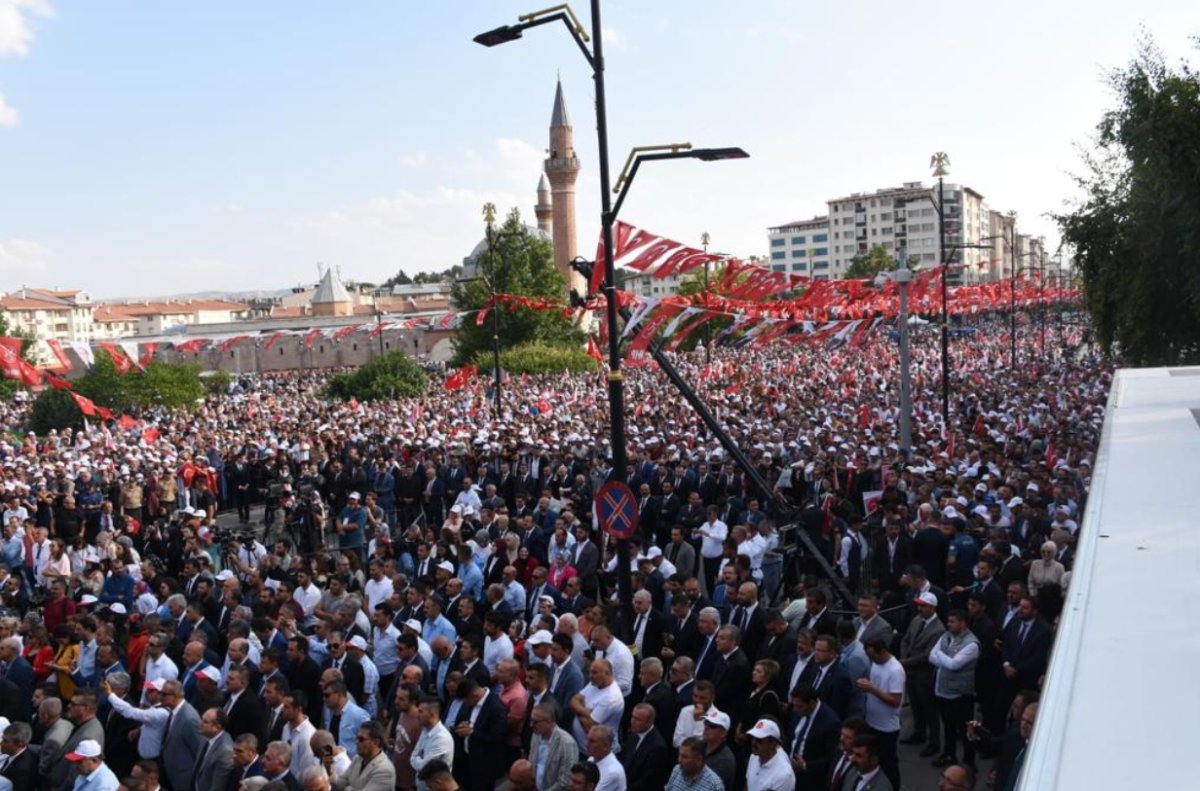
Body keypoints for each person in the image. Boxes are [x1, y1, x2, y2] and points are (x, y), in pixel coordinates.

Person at [928, 610, 980, 770]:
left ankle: (969, 761)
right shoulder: (946, 636)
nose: (948, 624)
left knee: (967, 730)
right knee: (948, 727)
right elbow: (931, 656)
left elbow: (954, 665)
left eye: (952, 621)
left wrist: (941, 656)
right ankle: (949, 754)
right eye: (948, 621)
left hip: (961, 695)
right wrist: (944, 658)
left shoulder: (971, 644)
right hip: (942, 691)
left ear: (962, 623)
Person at [898, 591, 945, 758]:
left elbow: (927, 655)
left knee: (929, 708)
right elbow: (905, 639)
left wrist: (905, 662)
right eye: (918, 605)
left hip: (924, 674)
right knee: (915, 705)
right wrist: (904, 657)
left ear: (932, 607)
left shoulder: (938, 629)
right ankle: (919, 733)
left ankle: (934, 742)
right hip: (910, 671)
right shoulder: (917, 620)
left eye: (923, 606)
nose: (919, 608)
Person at [856, 638, 903, 791]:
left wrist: (872, 689)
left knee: (888, 764)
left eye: (873, 656)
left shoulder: (895, 670)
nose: (872, 660)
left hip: (887, 727)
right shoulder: (876, 663)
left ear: (882, 651)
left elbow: (895, 701)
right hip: (872, 721)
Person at [785, 684, 841, 791]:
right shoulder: (798, 711)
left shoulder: (831, 723)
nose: (795, 710)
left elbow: (830, 758)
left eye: (799, 707)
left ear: (811, 703)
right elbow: (791, 737)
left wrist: (805, 766)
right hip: (788, 771)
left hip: (810, 780)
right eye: (794, 706)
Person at [333, 721, 395, 791]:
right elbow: (341, 783)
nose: (356, 742)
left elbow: (344, 786)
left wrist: (348, 788)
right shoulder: (357, 759)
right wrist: (329, 769)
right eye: (356, 738)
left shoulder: (384, 770)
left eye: (361, 739)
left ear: (376, 742)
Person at [619, 704, 669, 791]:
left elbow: (648, 780)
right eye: (632, 717)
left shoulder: (657, 747)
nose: (632, 721)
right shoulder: (633, 734)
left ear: (649, 722)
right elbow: (625, 759)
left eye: (637, 719)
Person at [527, 701, 575, 791]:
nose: (531, 725)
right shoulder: (536, 735)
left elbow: (565, 780)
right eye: (531, 720)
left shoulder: (567, 743)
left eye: (535, 722)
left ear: (549, 722)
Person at [409, 698, 453, 790]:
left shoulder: (441, 738)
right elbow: (412, 757)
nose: (417, 715)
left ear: (432, 715)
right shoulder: (425, 730)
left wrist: (417, 759)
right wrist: (417, 759)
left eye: (421, 712)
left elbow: (423, 767)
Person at [744, 718, 794, 791]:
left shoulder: (784, 774)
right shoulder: (753, 757)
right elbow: (748, 785)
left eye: (759, 740)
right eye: (753, 738)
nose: (753, 742)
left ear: (772, 744)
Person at [194, 708, 236, 791]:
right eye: (201, 719)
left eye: (205, 722)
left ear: (217, 727)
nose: (200, 723)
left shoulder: (225, 751)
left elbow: (218, 786)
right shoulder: (205, 736)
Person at [584, 725, 626, 791]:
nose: (587, 744)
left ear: (606, 746)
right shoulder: (591, 759)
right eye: (587, 739)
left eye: (592, 741)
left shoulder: (612, 773)